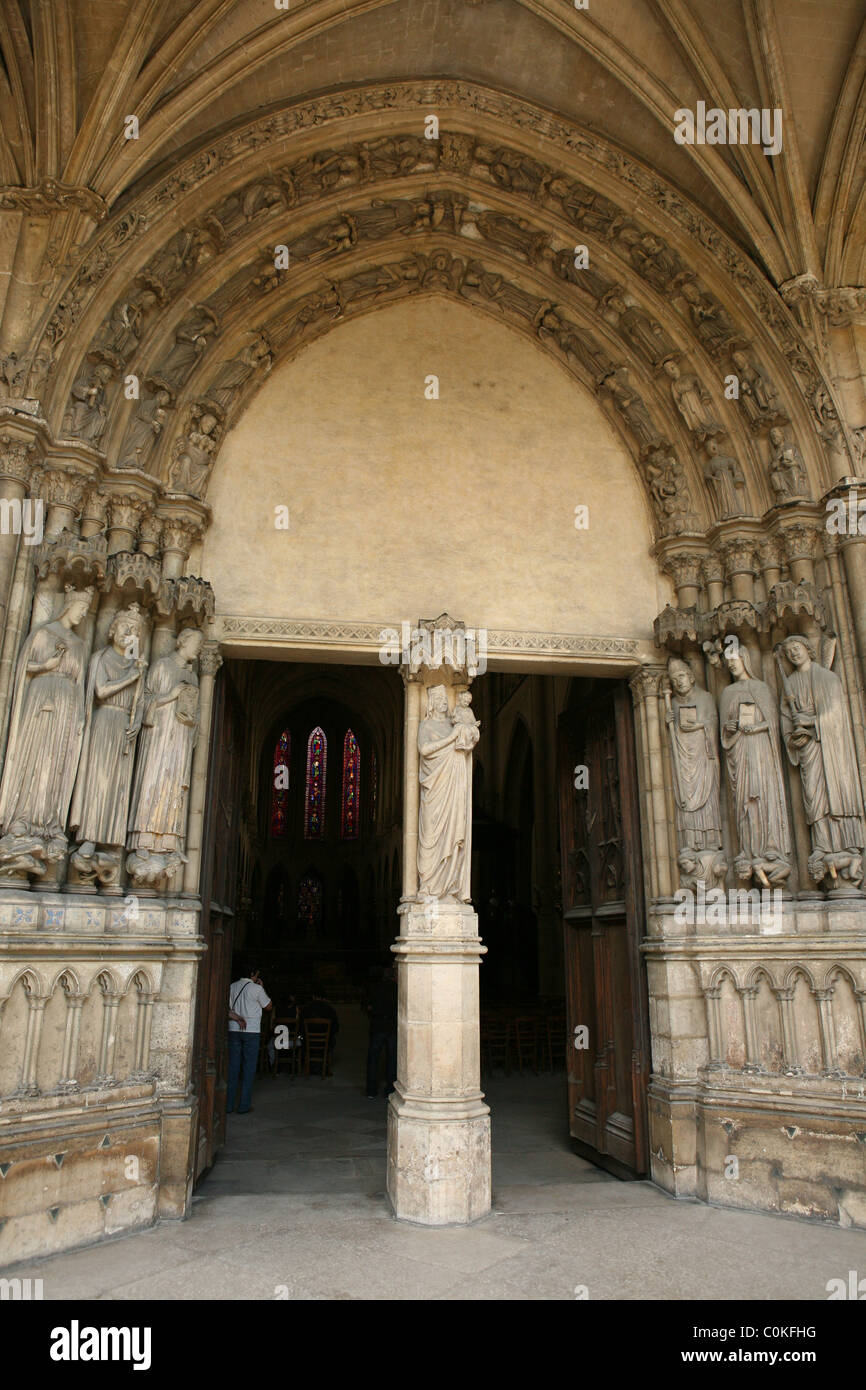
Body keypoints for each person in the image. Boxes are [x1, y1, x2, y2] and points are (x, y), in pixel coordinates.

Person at [227, 966, 272, 1114]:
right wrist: (262, 988)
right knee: (249, 1068)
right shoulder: (256, 989)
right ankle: (243, 1105)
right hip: (251, 1030)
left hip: (233, 1028)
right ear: (252, 974)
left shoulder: (232, 986)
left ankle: (228, 1105)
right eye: (257, 974)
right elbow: (268, 1006)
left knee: (233, 1068)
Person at [365, 964, 398, 1099]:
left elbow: (367, 1006)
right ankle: (390, 1089)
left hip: (378, 1024)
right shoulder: (398, 988)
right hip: (391, 1025)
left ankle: (371, 1090)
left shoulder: (375, 988)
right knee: (392, 1059)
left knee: (373, 1058)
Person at [299, 986, 339, 1076]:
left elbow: (300, 1028)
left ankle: (308, 1064)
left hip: (308, 1042)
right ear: (324, 997)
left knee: (301, 1037)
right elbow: (336, 1028)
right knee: (333, 1039)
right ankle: (326, 1065)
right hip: (325, 1042)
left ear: (313, 996)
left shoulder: (305, 1009)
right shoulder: (330, 1010)